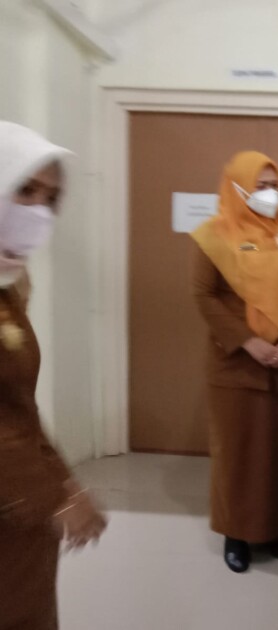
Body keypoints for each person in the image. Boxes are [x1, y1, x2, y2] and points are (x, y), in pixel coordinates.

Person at [0, 121, 108, 630]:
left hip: (18, 518)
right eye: (25, 189)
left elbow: (18, 404)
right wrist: (50, 496)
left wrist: (63, 480)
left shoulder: (9, 286)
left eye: (51, 199)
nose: (38, 212)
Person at [191, 150, 278, 573]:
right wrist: (246, 341)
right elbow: (204, 296)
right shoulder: (213, 235)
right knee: (238, 455)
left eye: (275, 185)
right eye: (261, 186)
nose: (270, 193)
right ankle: (236, 533)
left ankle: (273, 529)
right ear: (238, 187)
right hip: (237, 366)